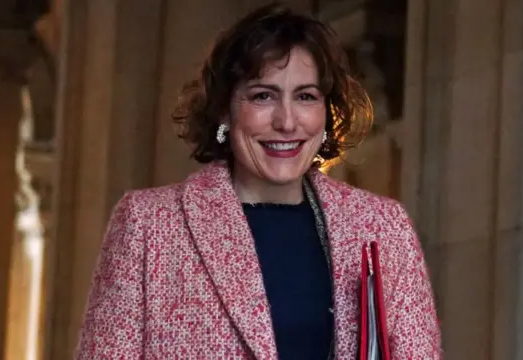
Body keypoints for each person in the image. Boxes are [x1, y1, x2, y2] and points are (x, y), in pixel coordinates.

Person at [75, 3, 441, 360]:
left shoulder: (383, 227)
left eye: (305, 96)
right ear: (225, 109)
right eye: (263, 95)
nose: (286, 121)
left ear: (325, 113)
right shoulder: (149, 225)